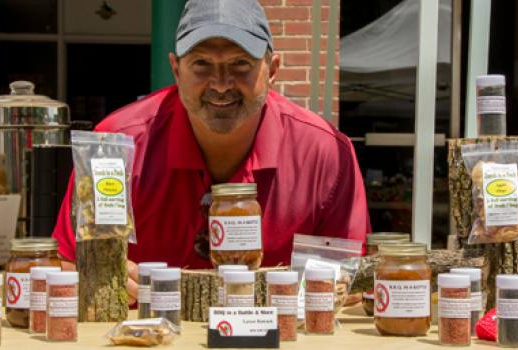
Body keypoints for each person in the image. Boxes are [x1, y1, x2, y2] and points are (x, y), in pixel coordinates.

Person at [51, 0, 370, 304]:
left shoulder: (326, 153)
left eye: (240, 63)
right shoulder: (114, 146)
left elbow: (348, 283)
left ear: (271, 70)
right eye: (202, 64)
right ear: (176, 70)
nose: (220, 84)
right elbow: (67, 264)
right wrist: (99, 279)